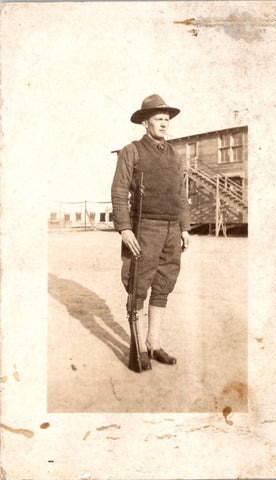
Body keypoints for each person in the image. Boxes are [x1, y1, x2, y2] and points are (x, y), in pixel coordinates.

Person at [111, 94, 191, 371]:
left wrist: (185, 227)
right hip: (144, 228)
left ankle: (153, 343)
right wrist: (124, 228)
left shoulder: (174, 155)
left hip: (171, 230)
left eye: (167, 119)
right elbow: (119, 191)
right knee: (138, 284)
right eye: (159, 119)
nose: (164, 123)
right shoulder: (131, 151)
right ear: (146, 123)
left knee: (164, 285)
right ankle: (139, 349)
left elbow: (180, 194)